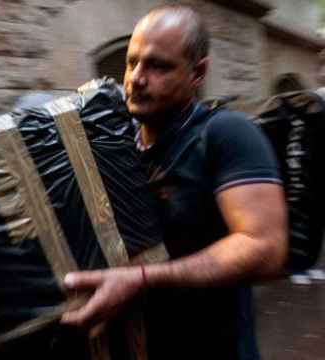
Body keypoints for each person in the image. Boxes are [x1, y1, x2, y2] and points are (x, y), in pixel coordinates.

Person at [60, 5, 288, 359]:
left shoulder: (226, 133)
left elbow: (265, 247)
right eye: (132, 62)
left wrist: (142, 278)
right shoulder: (118, 146)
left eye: (157, 65)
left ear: (198, 73)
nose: (136, 78)